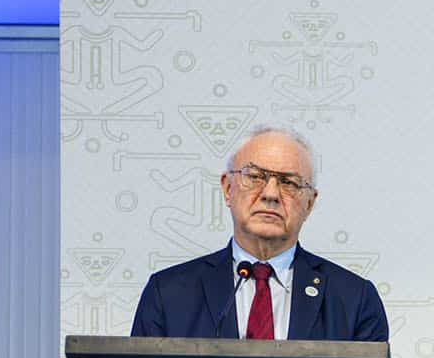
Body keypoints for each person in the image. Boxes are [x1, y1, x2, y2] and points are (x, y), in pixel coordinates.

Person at [131, 124, 387, 341]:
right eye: (255, 177)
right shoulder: (168, 294)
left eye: (289, 183)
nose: (271, 194)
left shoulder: (354, 300)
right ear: (228, 188)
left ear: (310, 202)